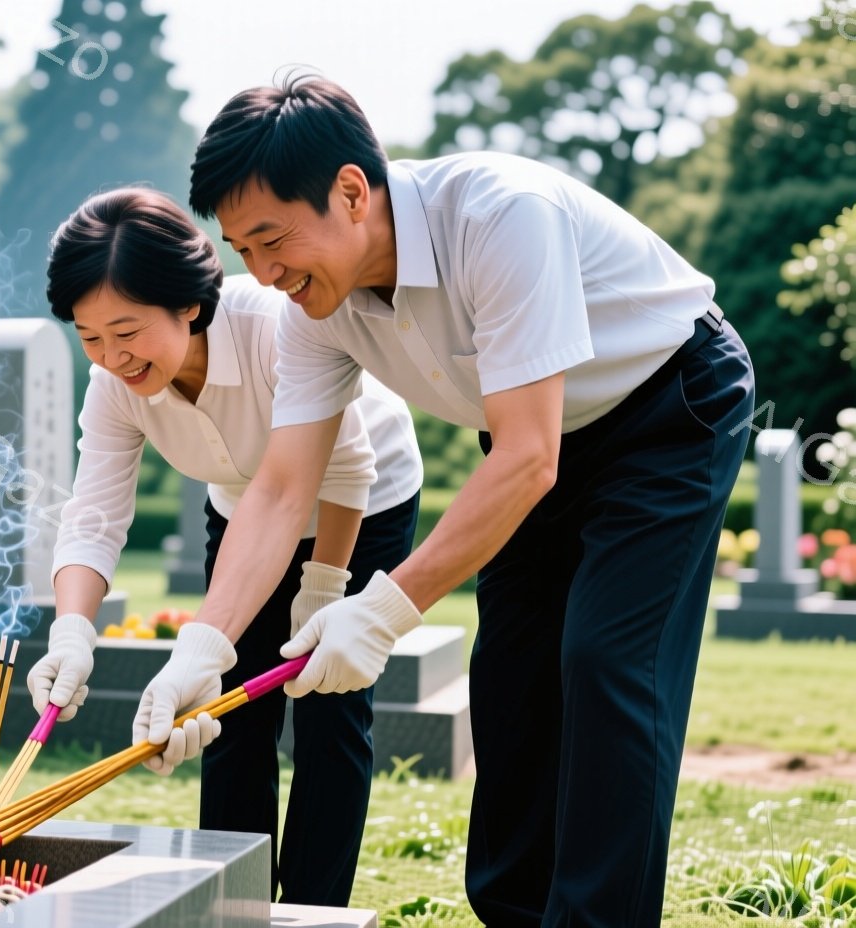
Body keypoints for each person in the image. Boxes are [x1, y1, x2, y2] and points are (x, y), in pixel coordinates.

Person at [133, 74, 753, 926]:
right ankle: (513, 914)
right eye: (244, 250)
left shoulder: (501, 216)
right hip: (540, 438)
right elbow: (280, 489)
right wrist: (203, 649)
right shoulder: (315, 310)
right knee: (509, 678)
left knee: (606, 660)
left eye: (272, 238)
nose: (264, 273)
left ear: (352, 190)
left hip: (668, 408)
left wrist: (381, 611)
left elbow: (528, 457)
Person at [24, 188, 423, 904]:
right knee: (225, 713)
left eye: (127, 330)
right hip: (246, 515)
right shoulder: (113, 384)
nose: (112, 357)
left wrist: (324, 589)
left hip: (362, 503)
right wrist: (72, 631)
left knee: (331, 712)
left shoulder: (277, 328)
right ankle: (234, 908)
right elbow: (95, 511)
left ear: (189, 304)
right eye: (89, 337)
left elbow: (348, 469)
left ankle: (310, 911)